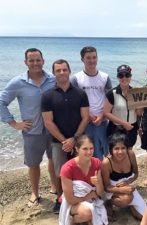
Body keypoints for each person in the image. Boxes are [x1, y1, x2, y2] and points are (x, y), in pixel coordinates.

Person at [0, 48, 56, 207]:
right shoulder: (18, 82)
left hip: (53, 130)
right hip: (32, 132)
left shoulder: (53, 79)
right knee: (33, 164)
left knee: (53, 160)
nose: (35, 63)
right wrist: (14, 123)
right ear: (26, 62)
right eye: (31, 60)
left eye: (38, 60)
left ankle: (54, 187)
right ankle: (35, 193)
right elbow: (1, 102)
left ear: (43, 61)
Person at [41, 59, 90, 213]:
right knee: (60, 172)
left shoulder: (80, 93)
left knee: (80, 169)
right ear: (54, 73)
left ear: (69, 71)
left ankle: (79, 195)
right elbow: (48, 122)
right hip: (58, 142)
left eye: (64, 69)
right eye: (58, 70)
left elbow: (86, 117)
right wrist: (65, 141)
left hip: (79, 140)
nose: (62, 73)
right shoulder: (47, 96)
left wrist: (74, 139)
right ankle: (60, 199)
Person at [71, 46, 112, 160]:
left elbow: (110, 100)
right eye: (88, 58)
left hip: (102, 121)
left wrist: (102, 116)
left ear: (97, 58)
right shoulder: (76, 78)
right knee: (89, 152)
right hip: (85, 122)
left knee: (105, 151)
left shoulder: (105, 77)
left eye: (94, 57)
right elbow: (74, 102)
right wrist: (87, 116)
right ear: (82, 59)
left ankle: (103, 176)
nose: (91, 60)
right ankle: (92, 177)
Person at [59, 134, 108, 225]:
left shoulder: (96, 163)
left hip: (91, 199)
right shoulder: (67, 168)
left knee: (92, 213)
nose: (89, 152)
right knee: (87, 213)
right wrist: (88, 196)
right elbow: (70, 199)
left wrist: (97, 184)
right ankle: (71, 220)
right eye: (85, 149)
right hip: (72, 202)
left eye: (91, 148)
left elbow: (100, 192)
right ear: (77, 149)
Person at [101, 132, 146, 221]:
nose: (120, 152)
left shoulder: (131, 155)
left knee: (143, 216)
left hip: (128, 187)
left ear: (127, 148)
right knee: (126, 199)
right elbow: (106, 187)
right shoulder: (106, 163)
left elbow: (136, 174)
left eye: (123, 148)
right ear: (111, 150)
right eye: (116, 149)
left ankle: (131, 206)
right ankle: (109, 203)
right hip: (112, 190)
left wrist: (128, 182)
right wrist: (121, 190)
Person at [103, 64, 139, 150]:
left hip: (132, 129)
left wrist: (140, 100)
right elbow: (106, 113)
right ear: (118, 77)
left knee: (129, 151)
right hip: (116, 129)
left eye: (127, 75)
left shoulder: (135, 92)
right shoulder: (112, 93)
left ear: (130, 77)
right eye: (121, 75)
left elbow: (138, 113)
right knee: (117, 153)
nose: (124, 78)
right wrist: (123, 123)